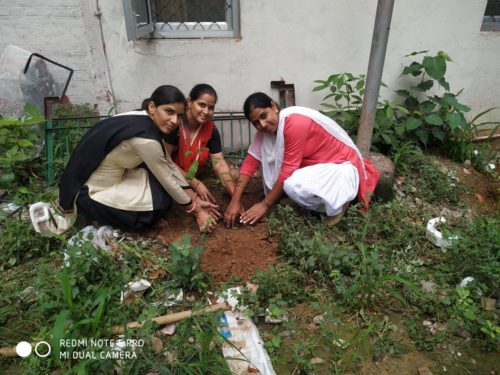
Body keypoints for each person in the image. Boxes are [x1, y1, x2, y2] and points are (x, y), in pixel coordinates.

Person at [58, 85, 219, 232]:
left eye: (179, 115)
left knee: (162, 192)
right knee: (159, 206)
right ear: (152, 107)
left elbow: (168, 164)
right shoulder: (146, 139)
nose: (175, 121)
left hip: (111, 176)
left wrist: (194, 198)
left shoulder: (142, 118)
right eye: (169, 112)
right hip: (94, 190)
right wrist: (196, 211)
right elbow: (167, 178)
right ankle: (90, 210)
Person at [224, 92, 380, 227]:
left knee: (291, 185)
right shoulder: (266, 132)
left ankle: (337, 204)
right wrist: (235, 200)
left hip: (340, 169)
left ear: (273, 106)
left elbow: (287, 171)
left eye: (263, 116)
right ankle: (324, 199)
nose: (262, 124)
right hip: (321, 170)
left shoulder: (294, 123)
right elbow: (250, 162)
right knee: (284, 180)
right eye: (256, 123)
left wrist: (265, 204)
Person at [164, 84, 235, 203]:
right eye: (201, 105)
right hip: (168, 178)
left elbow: (219, 164)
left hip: (191, 179)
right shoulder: (175, 123)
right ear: (190, 102)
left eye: (211, 107)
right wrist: (196, 184)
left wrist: (235, 196)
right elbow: (165, 161)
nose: (206, 112)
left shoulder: (211, 129)